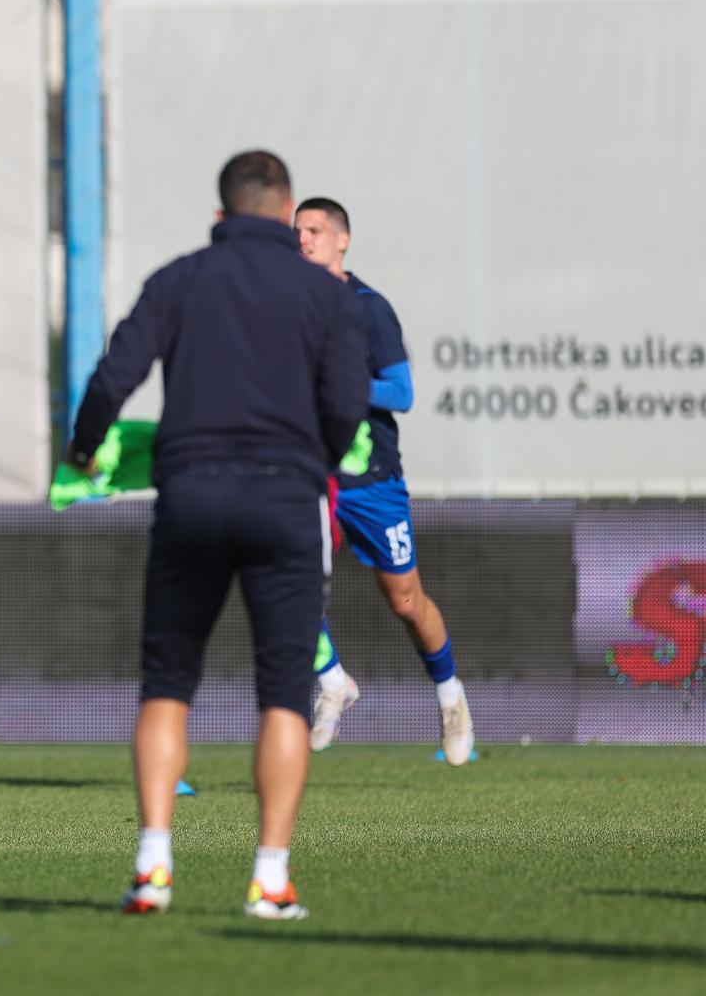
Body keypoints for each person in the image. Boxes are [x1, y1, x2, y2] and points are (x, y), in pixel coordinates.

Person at [66, 151, 369, 918]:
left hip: (192, 494)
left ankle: (153, 864)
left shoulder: (179, 278)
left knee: (168, 684)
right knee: (283, 694)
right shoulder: (324, 293)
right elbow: (346, 403)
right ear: (288, 209)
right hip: (286, 497)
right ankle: (269, 878)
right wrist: (318, 454)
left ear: (219, 214)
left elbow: (111, 377)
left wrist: (83, 447)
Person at [294, 198, 474, 765]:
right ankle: (332, 681)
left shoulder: (368, 309)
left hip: (370, 481)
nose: (305, 239)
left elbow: (401, 393)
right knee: (284, 584)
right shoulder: (285, 306)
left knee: (405, 600)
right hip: (308, 474)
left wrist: (340, 386)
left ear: (343, 239)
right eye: (298, 230)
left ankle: (451, 698)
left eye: (316, 230)